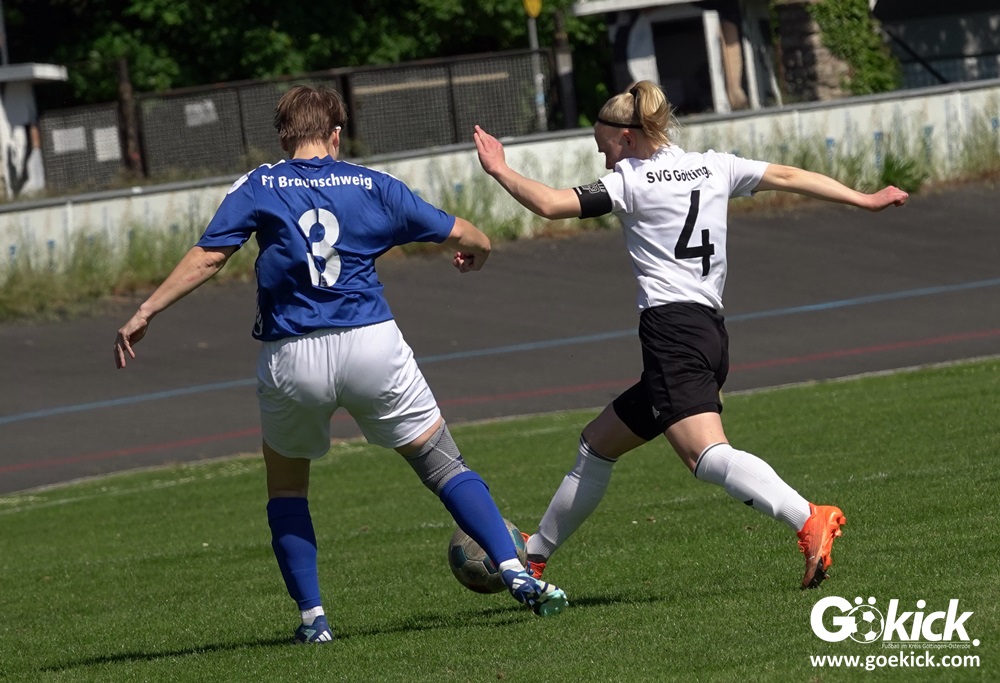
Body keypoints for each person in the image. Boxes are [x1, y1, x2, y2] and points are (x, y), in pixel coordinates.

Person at [113, 85, 568, 643]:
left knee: (287, 492)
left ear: (284, 137)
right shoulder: (372, 184)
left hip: (292, 354)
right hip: (370, 344)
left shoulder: (259, 184)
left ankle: (314, 621)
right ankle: (517, 571)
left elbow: (209, 257)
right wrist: (481, 250)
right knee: (444, 465)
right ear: (335, 134)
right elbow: (461, 232)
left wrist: (146, 310)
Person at [473, 80, 908, 590]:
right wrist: (863, 199)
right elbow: (789, 175)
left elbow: (549, 204)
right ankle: (536, 555)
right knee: (597, 444)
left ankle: (806, 516)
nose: (604, 158)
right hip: (709, 332)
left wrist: (499, 169)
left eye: (604, 146)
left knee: (705, 455)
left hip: (672, 334)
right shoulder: (713, 165)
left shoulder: (630, 181)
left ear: (628, 138)